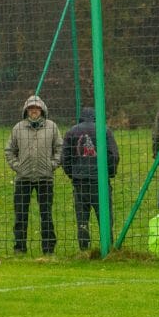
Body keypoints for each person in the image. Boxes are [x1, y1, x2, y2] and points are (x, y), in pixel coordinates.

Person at [4, 95, 62, 255]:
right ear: (26, 111)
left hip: (45, 178)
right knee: (20, 215)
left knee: (46, 215)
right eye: (31, 108)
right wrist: (18, 167)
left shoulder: (52, 127)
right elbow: (9, 150)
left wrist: (52, 165)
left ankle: (49, 249)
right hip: (24, 178)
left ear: (42, 110)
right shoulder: (18, 128)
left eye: (36, 108)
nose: (34, 111)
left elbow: (60, 148)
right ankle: (19, 248)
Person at [61, 107, 120, 252]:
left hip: (80, 182)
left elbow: (65, 158)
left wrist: (73, 174)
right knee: (105, 217)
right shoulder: (104, 130)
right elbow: (113, 155)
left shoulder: (71, 132)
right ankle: (108, 248)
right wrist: (109, 173)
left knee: (82, 218)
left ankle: (84, 249)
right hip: (99, 182)